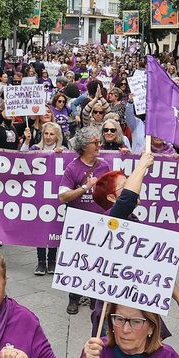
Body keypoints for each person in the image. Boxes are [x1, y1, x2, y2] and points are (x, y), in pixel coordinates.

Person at [59, 129, 114, 315]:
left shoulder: (104, 165)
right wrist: (85, 187)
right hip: (78, 223)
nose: (99, 145)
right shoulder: (72, 168)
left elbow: (111, 191)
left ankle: (94, 298)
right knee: (76, 262)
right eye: (94, 142)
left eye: (98, 142)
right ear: (83, 146)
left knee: (97, 261)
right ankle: (73, 298)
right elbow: (63, 196)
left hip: (100, 222)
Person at [31, 121, 67, 275]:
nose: (48, 137)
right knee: (40, 227)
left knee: (53, 226)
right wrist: (27, 142)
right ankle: (41, 262)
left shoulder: (64, 151)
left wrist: (63, 154)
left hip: (55, 194)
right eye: (46, 133)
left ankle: (52, 261)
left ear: (57, 136)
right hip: (38, 193)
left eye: (52, 134)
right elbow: (19, 157)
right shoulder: (35, 148)